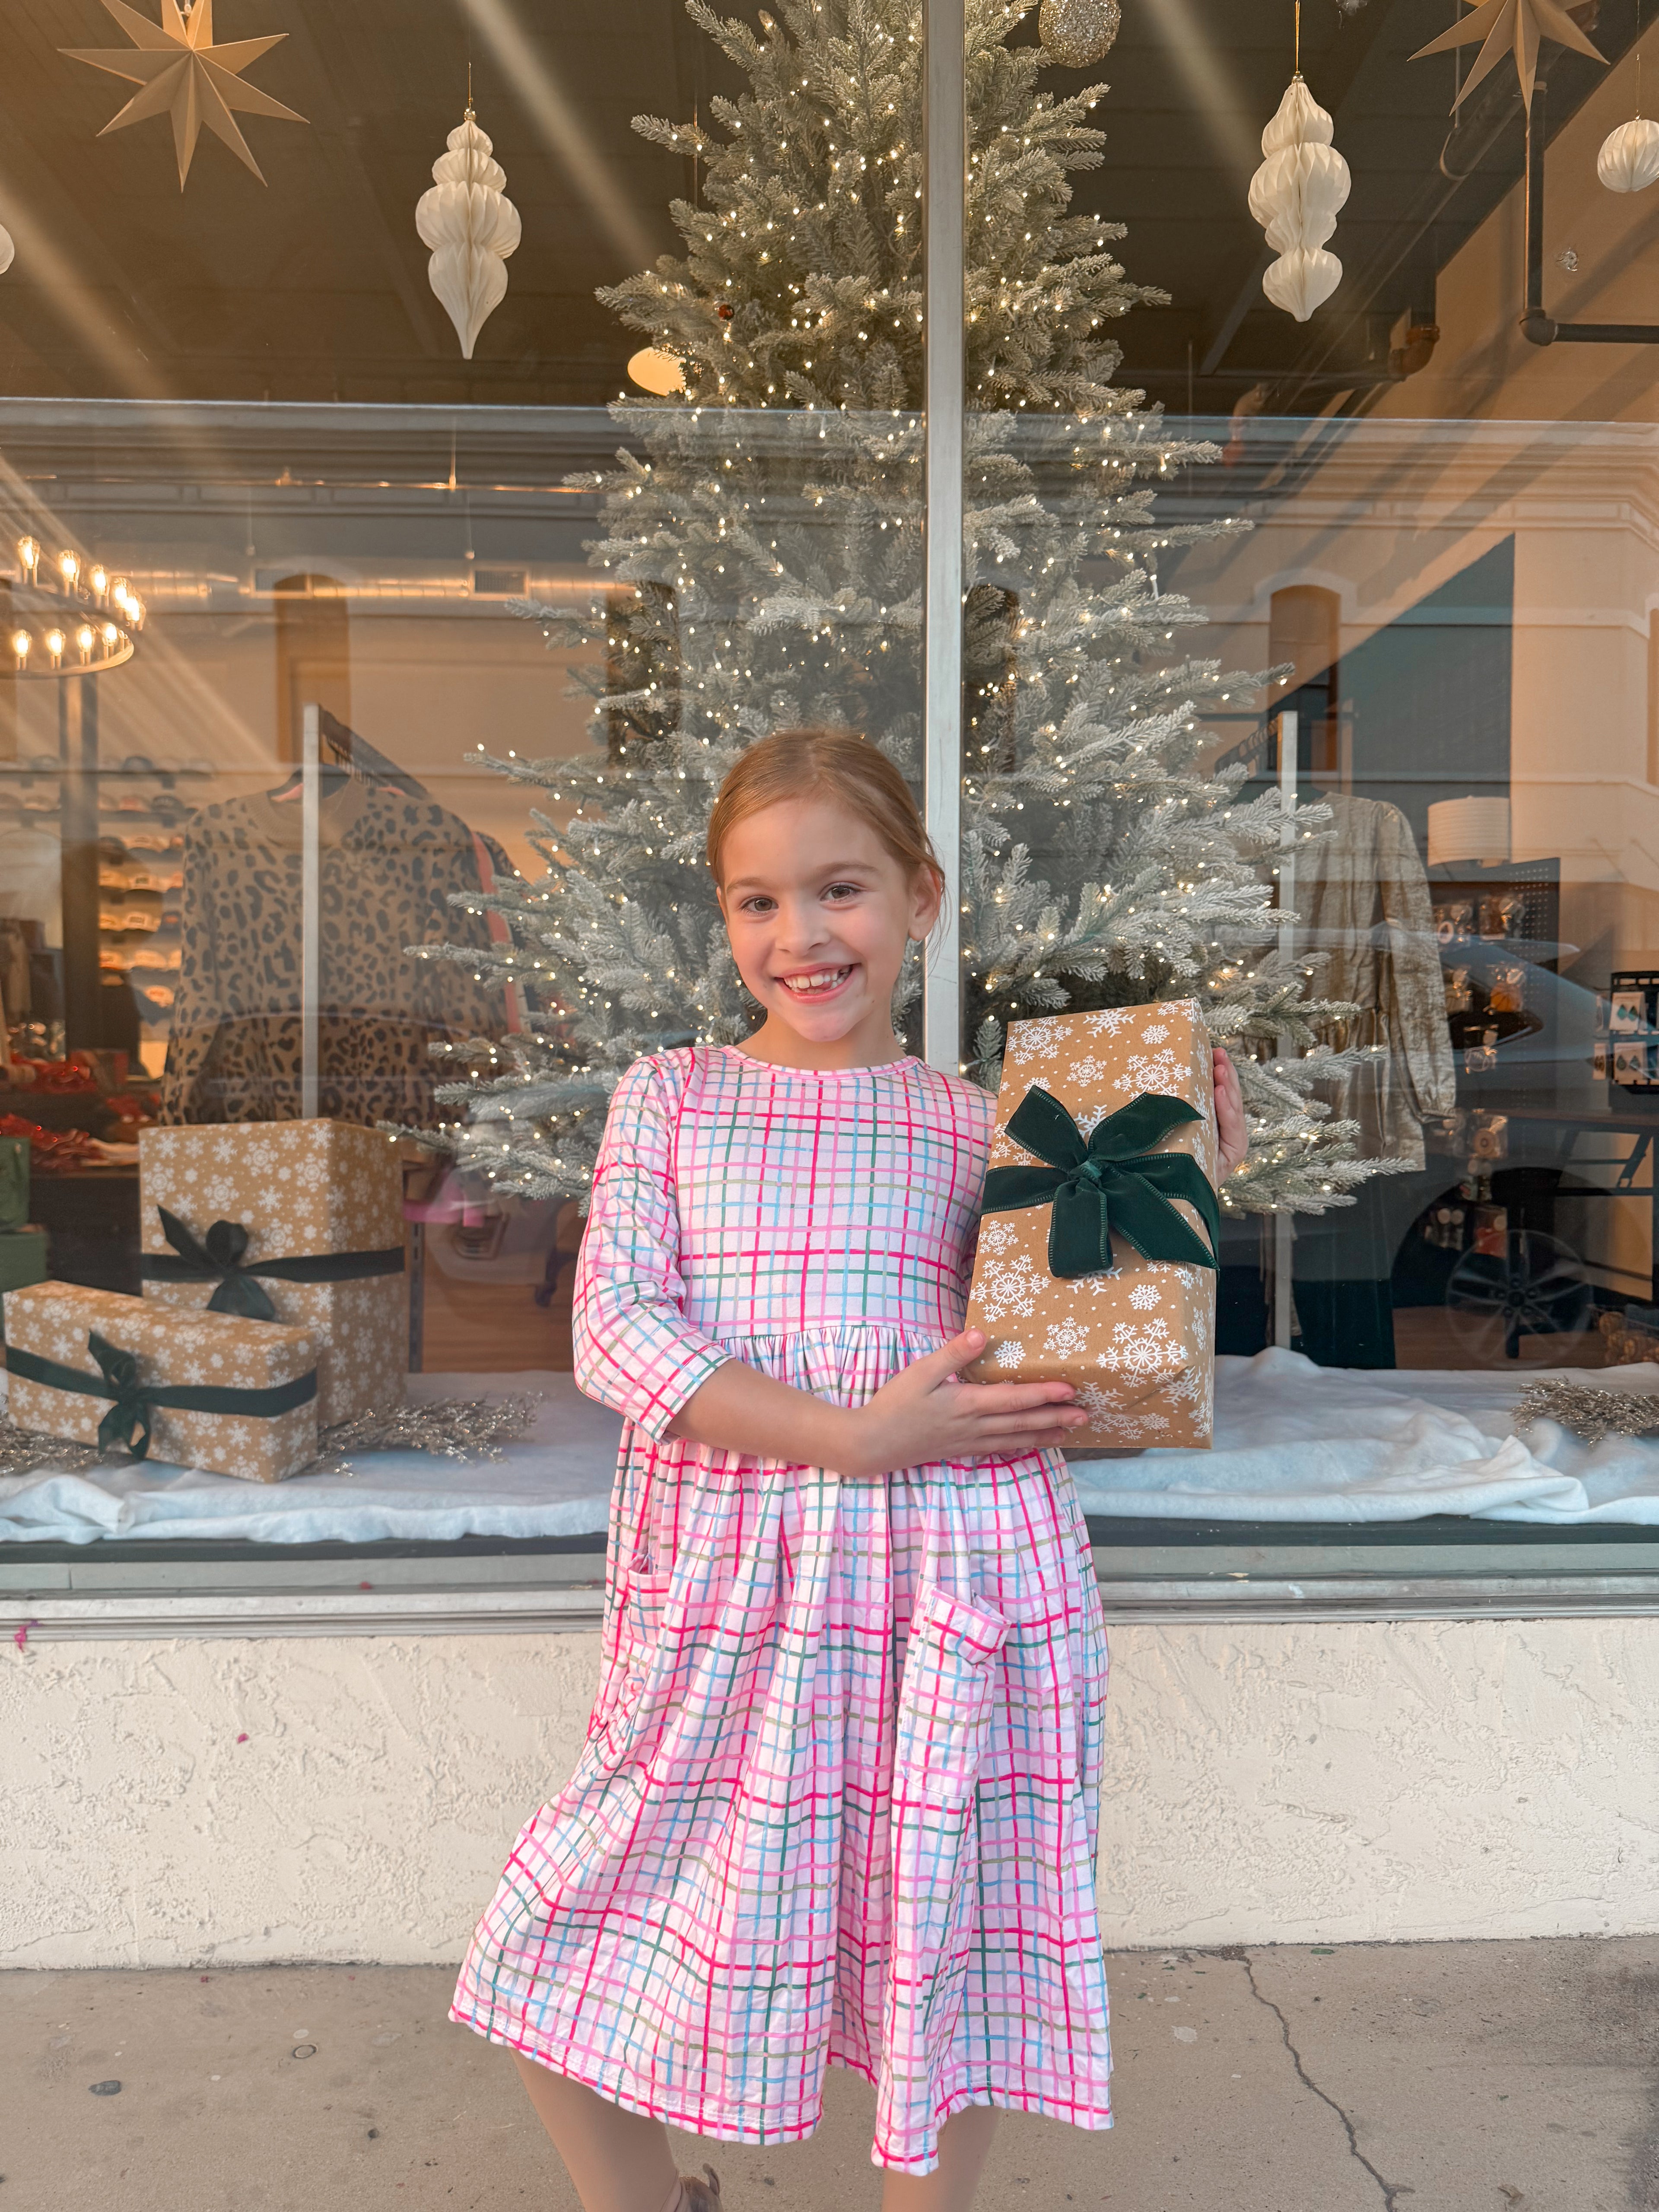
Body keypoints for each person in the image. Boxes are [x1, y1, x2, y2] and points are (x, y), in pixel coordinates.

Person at [451, 728, 1249, 2212]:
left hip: (958, 1579)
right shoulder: (673, 1095)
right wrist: (850, 1438)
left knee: (949, 1936)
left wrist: (1184, 1170)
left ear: (920, 897)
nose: (801, 936)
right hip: (728, 1585)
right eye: (758, 902)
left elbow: (1082, 1342)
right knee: (565, 1922)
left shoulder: (989, 1126)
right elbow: (614, 1328)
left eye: (841, 890)